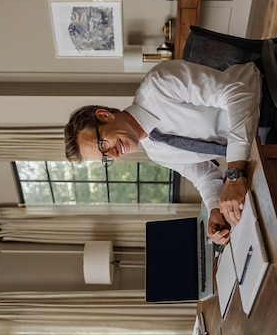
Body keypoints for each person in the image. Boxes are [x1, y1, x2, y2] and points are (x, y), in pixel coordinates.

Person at [64, 58, 264, 245]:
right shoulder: (156, 152)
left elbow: (239, 95)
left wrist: (235, 172)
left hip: (267, 101)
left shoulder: (160, 85)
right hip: (257, 151)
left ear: (105, 115)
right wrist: (213, 208)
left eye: (103, 146)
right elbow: (204, 176)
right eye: (105, 157)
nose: (114, 154)